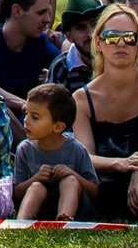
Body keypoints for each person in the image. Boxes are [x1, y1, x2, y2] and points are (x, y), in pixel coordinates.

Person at [71, 2, 138, 219]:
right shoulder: (82, 99)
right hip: (107, 184)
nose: (122, 44)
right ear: (98, 42)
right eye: (113, 37)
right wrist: (122, 164)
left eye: (130, 38)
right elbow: (85, 156)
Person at [13, 80, 97, 221]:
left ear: (58, 127)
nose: (26, 120)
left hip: (78, 210)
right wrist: (36, 178)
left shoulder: (76, 149)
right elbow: (18, 192)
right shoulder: (24, 149)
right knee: (36, 186)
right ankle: (22, 223)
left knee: (69, 180)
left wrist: (73, 174)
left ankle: (64, 219)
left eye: (35, 117)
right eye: (26, 113)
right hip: (42, 209)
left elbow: (94, 191)